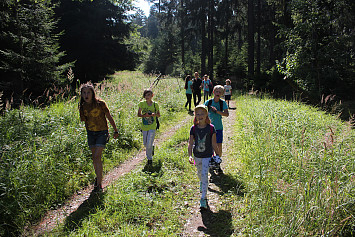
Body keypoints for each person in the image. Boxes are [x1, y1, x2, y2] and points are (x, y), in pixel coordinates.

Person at [79, 82, 119, 192]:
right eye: (84, 93)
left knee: (97, 156)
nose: (86, 95)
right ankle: (98, 177)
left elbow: (109, 117)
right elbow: (84, 120)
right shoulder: (82, 106)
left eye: (88, 92)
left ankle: (99, 184)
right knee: (94, 158)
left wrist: (115, 130)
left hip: (102, 132)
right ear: (81, 95)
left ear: (93, 93)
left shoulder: (100, 103)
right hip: (91, 133)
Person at [188, 104, 221, 209]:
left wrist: (218, 155)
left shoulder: (211, 128)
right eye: (197, 113)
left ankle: (203, 198)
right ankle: (201, 182)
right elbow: (190, 143)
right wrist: (189, 155)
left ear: (206, 114)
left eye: (202, 113)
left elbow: (214, 143)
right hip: (197, 155)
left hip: (207, 155)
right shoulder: (193, 128)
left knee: (204, 174)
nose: (200, 115)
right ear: (195, 115)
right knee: (199, 173)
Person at [204, 85, 229, 175]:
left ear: (222, 94)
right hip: (209, 128)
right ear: (213, 92)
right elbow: (202, 112)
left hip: (218, 128)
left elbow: (226, 114)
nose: (218, 93)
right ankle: (211, 163)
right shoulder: (208, 102)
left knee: (219, 147)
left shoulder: (223, 103)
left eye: (220, 92)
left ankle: (217, 164)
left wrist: (217, 111)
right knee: (210, 146)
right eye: (216, 91)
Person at [137, 89, 160, 165]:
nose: (147, 97)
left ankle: (149, 159)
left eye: (149, 95)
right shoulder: (142, 104)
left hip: (152, 126)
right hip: (144, 126)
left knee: (149, 143)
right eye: (146, 95)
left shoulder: (155, 104)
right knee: (145, 144)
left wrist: (154, 114)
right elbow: (138, 114)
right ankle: (152, 147)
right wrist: (145, 115)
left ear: (152, 95)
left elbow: (159, 115)